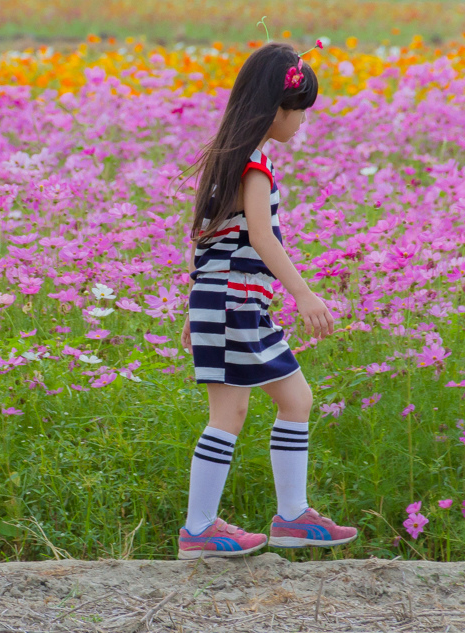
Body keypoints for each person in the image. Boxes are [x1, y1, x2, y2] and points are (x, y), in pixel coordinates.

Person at [176, 41, 358, 559]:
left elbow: (205, 239)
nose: (300, 121)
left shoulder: (227, 158)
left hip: (229, 301)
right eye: (295, 110)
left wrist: (197, 304)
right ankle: (200, 528)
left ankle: (293, 517)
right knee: (228, 414)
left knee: (296, 400)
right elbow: (261, 235)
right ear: (271, 107)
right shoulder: (252, 164)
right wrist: (303, 293)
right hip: (234, 302)